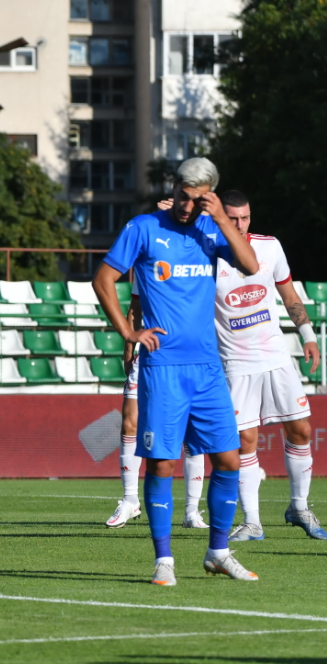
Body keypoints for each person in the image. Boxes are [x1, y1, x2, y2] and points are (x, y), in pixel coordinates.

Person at [93, 157, 261, 587]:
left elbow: (251, 265)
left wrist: (222, 218)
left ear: (209, 196)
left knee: (228, 458)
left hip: (207, 368)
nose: (186, 206)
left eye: (196, 199)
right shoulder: (144, 227)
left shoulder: (212, 229)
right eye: (182, 197)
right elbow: (104, 278)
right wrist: (129, 331)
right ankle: (163, 560)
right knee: (163, 464)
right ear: (174, 188)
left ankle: (219, 552)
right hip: (163, 369)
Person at [212, 190, 324, 541]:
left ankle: (299, 506)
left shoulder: (270, 247)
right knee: (245, 440)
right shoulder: (207, 252)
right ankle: (252, 522)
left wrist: (307, 334)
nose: (241, 225)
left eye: (245, 217)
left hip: (276, 356)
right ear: (221, 217)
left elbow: (289, 294)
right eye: (233, 218)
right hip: (235, 361)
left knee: (302, 431)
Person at [106, 286, 206, 530]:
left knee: (192, 433)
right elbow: (135, 310)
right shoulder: (148, 261)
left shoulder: (201, 260)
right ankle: (130, 500)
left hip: (189, 355)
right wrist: (129, 350)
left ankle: (191, 511)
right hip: (150, 355)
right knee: (130, 422)